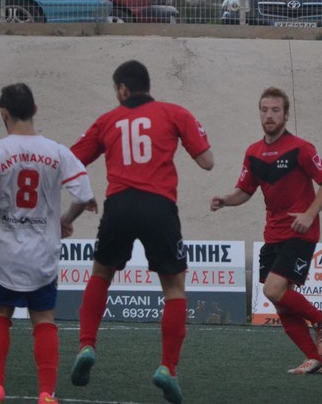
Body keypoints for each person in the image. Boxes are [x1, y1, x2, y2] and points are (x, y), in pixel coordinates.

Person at [68, 60, 213, 404]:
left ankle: (87, 345)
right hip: (159, 207)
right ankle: (168, 368)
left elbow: (71, 162)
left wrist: (82, 197)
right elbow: (207, 161)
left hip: (119, 205)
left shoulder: (107, 120)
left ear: (122, 89)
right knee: (174, 288)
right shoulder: (174, 112)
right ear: (147, 85)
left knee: (101, 274)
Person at [0, 83, 97, 404]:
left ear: (4, 113)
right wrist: (64, 219)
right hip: (42, 253)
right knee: (43, 319)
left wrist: (0, 202)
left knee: (0, 315)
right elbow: (83, 195)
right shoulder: (57, 151)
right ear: (35, 110)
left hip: (4, 251)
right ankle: (46, 394)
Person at [210, 86, 322, 375]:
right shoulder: (253, 153)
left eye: (275, 110)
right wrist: (226, 200)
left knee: (272, 289)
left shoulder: (301, 148)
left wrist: (309, 214)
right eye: (265, 110)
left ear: (286, 115)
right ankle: (315, 359)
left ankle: (320, 319)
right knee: (280, 303)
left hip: (300, 232)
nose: (269, 115)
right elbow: (245, 191)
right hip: (273, 234)